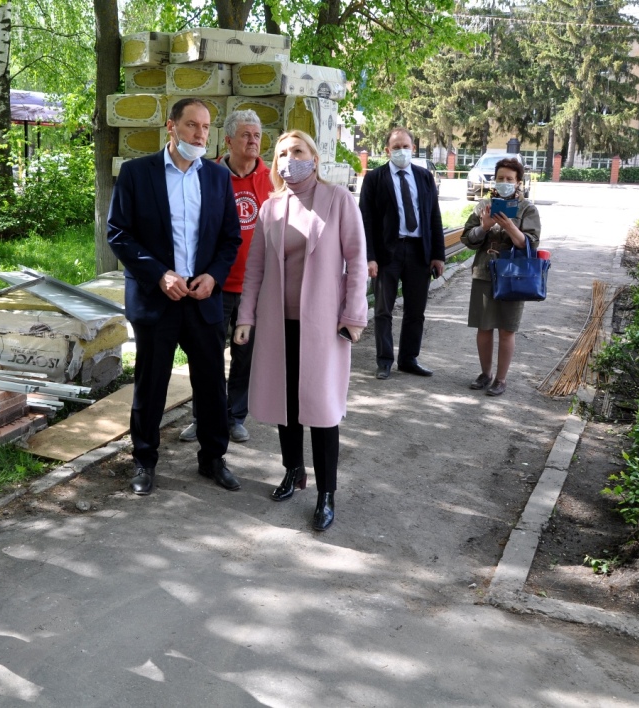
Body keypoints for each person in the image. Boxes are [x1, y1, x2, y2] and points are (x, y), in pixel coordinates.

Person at [234, 131, 369, 532]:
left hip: (324, 323)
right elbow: (255, 268)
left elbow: (357, 260)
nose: (289, 159)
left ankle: (327, 492)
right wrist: (246, 317)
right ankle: (293, 469)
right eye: (282, 154)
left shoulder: (338, 200)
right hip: (277, 320)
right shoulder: (271, 207)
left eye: (297, 151)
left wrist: (354, 316)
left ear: (314, 156)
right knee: (286, 402)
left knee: (322, 408)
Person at [107, 97, 242, 496]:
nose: (200, 134)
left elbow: (229, 239)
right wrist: (158, 273)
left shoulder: (216, 178)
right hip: (156, 298)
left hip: (202, 298)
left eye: (205, 127)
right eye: (192, 125)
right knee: (151, 385)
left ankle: (213, 458)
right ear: (171, 127)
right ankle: (144, 461)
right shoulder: (137, 173)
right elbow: (119, 233)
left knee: (211, 384)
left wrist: (214, 277)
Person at [179, 109, 271, 446]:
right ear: (229, 140)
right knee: (207, 355)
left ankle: (234, 417)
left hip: (254, 288)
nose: (253, 141)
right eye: (246, 135)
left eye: (257, 136)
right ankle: (203, 417)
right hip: (214, 284)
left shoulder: (272, 178)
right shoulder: (208, 174)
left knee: (245, 357)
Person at [359, 127, 445, 379]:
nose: (401, 151)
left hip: (419, 251)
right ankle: (384, 361)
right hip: (387, 252)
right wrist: (369, 257)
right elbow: (366, 221)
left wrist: (438, 254)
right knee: (383, 310)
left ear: (413, 148)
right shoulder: (375, 178)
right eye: (396, 147)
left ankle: (408, 359)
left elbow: (434, 216)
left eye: (405, 147)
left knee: (415, 311)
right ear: (387, 150)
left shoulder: (424, 177)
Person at [460, 158, 541, 396]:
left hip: (514, 276)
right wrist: (484, 226)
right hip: (485, 272)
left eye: (509, 179)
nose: (504, 182)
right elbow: (468, 240)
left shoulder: (527, 209)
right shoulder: (484, 206)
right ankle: (485, 374)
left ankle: (501, 379)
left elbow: (530, 244)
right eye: (500, 178)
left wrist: (510, 226)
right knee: (484, 327)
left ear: (518, 182)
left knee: (507, 329)